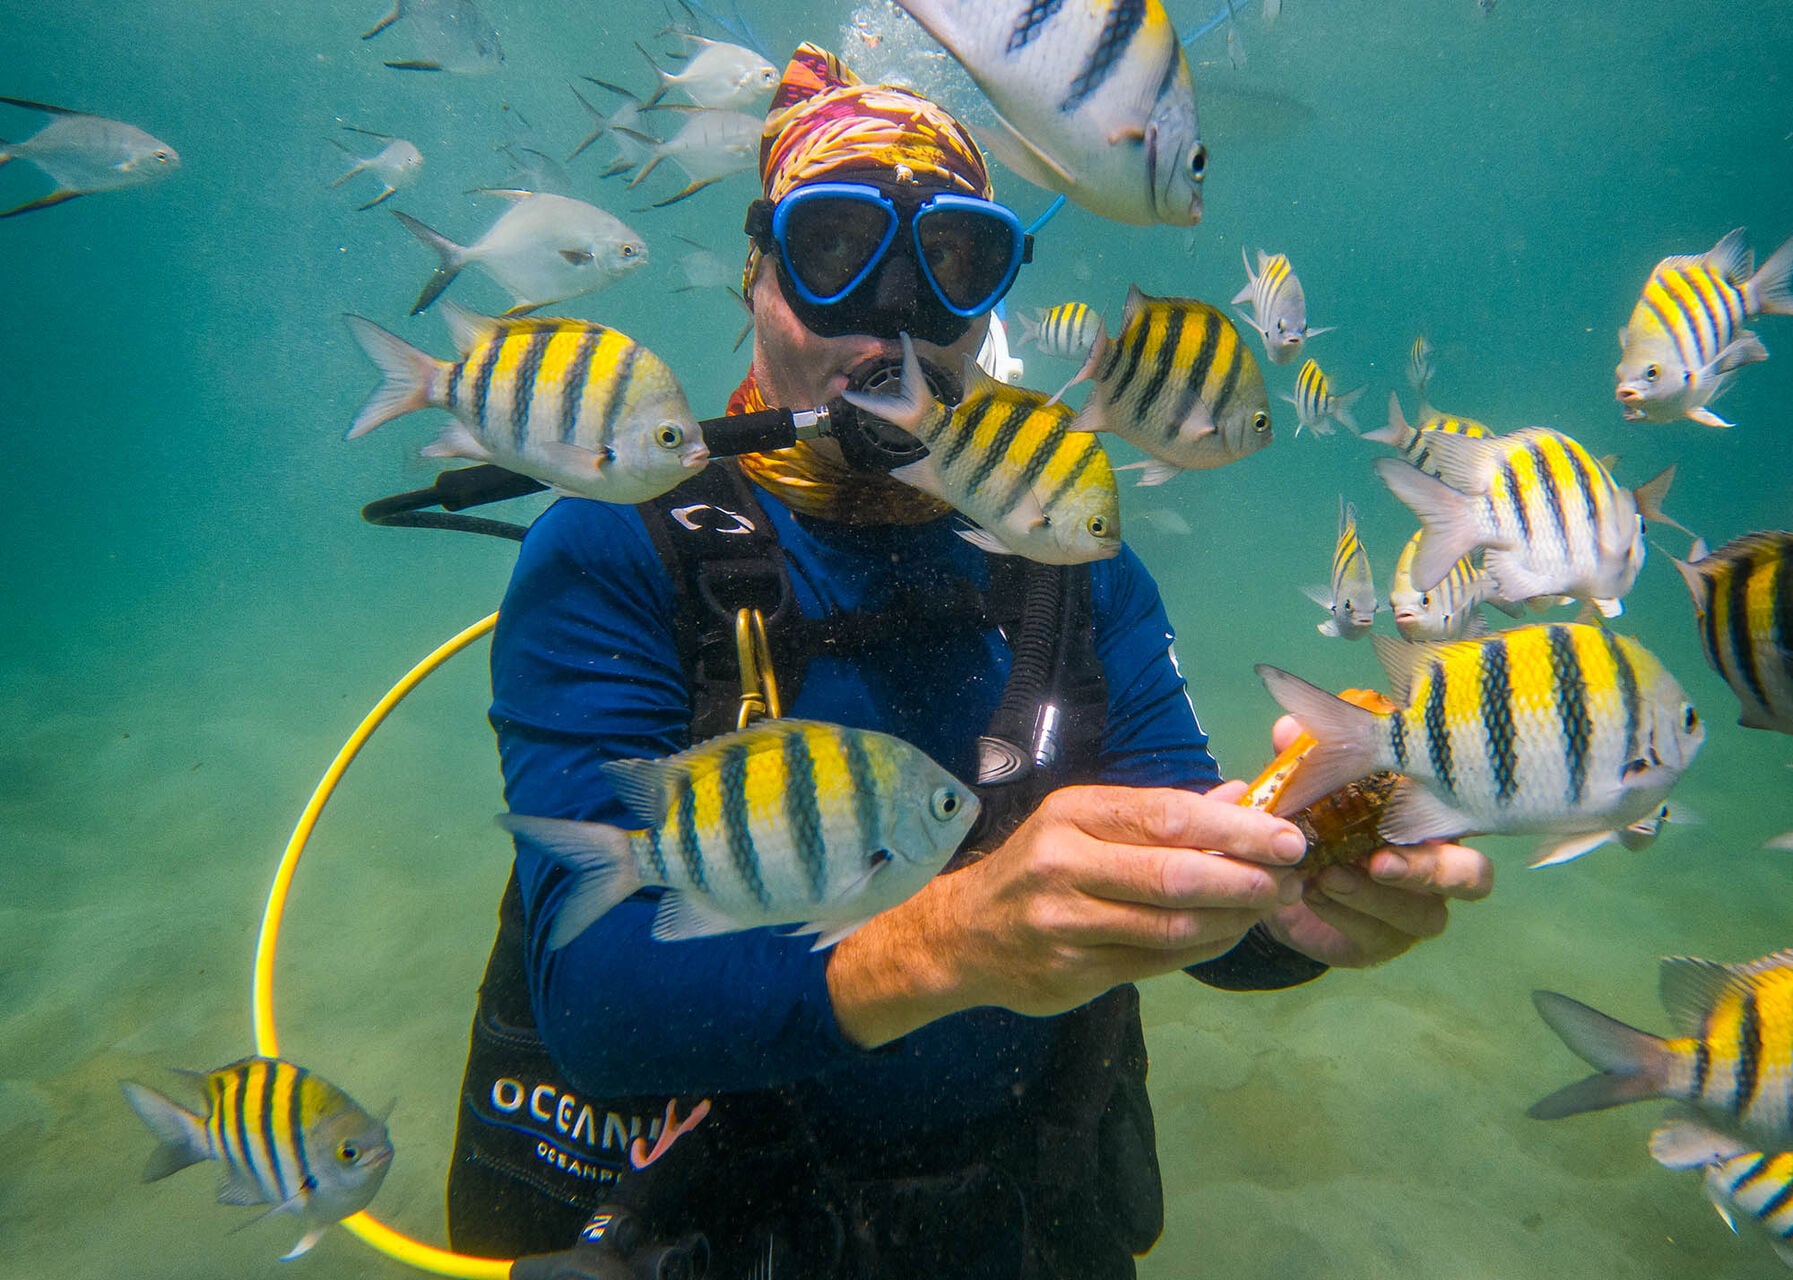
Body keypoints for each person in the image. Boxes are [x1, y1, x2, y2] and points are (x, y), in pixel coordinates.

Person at [446, 44, 1493, 1280]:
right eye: (832, 250)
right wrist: (941, 941)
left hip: (1022, 1217)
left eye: (948, 265)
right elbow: (597, 1003)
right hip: (723, 1227)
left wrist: (1295, 890)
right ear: (753, 272)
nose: (891, 317)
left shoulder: (1070, 556)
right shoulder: (615, 544)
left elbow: (1182, 867)